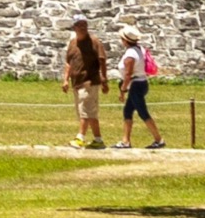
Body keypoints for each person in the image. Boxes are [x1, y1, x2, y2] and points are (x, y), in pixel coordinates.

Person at [61, 18, 107, 149]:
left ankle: (80, 137)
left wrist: (104, 79)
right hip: (77, 82)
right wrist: (66, 80)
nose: (83, 28)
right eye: (80, 25)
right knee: (89, 112)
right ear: (74, 27)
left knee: (85, 111)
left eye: (85, 25)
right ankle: (98, 140)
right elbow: (69, 62)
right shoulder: (73, 43)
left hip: (90, 82)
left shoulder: (94, 42)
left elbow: (102, 60)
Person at [118, 28, 164, 150]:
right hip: (141, 82)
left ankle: (158, 139)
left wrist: (123, 90)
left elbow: (128, 74)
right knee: (127, 111)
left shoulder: (130, 54)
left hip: (135, 85)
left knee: (143, 112)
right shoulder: (140, 49)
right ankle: (125, 140)